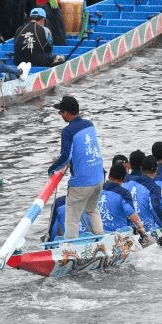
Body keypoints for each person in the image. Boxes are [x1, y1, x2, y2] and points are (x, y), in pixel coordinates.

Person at [48, 96, 105, 241]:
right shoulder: (89, 125)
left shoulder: (67, 131)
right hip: (99, 178)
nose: (60, 115)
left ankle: (70, 250)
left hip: (82, 183)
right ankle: (101, 240)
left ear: (66, 113)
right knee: (92, 210)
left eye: (60, 112)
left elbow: (65, 157)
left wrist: (52, 168)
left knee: (72, 219)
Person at [98, 162, 148, 236]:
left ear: (108, 176)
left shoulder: (98, 191)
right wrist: (141, 229)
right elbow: (130, 213)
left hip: (101, 233)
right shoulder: (124, 193)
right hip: (119, 235)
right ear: (124, 178)